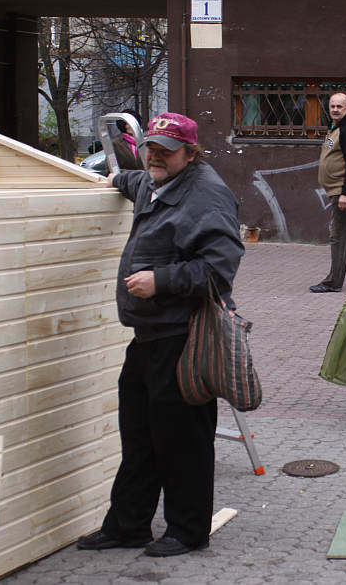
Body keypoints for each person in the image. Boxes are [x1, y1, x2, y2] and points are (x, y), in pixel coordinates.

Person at [76, 112, 244, 556]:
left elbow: (219, 270)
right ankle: (127, 525)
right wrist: (113, 180)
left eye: (165, 151)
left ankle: (188, 531)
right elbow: (135, 181)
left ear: (190, 154)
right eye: (150, 147)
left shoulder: (208, 197)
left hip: (183, 338)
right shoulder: (155, 179)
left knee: (183, 442)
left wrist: (161, 281)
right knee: (139, 436)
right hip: (148, 335)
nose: (154, 156)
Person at [310, 92, 346, 292]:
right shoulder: (337, 127)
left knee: (338, 236)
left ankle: (334, 282)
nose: (335, 109)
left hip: (344, 191)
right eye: (332, 106)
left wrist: (345, 193)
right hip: (338, 190)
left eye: (339, 107)